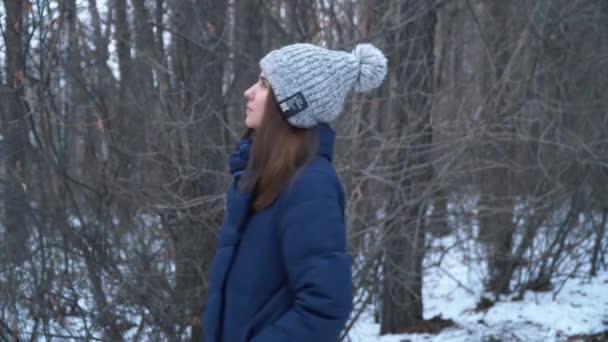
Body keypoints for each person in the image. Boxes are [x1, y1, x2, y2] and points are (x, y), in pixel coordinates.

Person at [202, 42, 387, 342]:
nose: (248, 92)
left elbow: (325, 307)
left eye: (263, 83)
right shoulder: (261, 177)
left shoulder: (310, 185)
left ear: (292, 104)